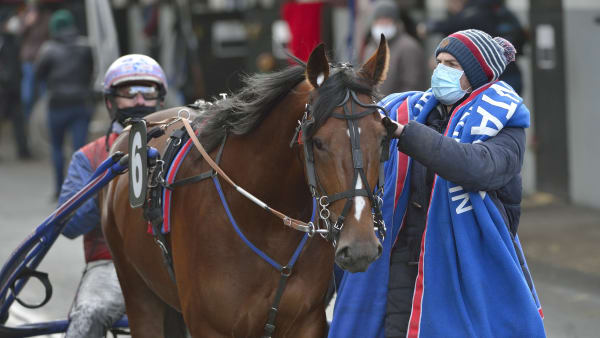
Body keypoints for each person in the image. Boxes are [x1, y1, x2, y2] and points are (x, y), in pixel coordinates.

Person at [329, 29, 545, 337]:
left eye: (452, 64)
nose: (440, 70)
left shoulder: (504, 124)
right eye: (439, 61)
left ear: (476, 74)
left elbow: (478, 166)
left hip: (464, 271)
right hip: (397, 266)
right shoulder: (408, 110)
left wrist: (407, 134)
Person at [58, 54, 168, 338]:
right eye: (129, 93)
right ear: (110, 102)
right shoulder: (89, 156)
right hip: (110, 264)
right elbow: (69, 226)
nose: (140, 101)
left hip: (172, 260)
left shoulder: (184, 150)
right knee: (90, 313)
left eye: (148, 91)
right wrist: (114, 183)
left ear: (161, 98)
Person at [35, 9, 94, 199]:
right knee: (80, 149)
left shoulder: (48, 49)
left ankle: (60, 189)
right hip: (80, 103)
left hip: (57, 104)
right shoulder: (85, 46)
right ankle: (82, 189)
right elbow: (90, 71)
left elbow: (39, 75)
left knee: (57, 148)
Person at [417, 0, 526, 94]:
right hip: (511, 74)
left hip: (498, 79)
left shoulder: (474, 13)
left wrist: (430, 27)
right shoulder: (500, 11)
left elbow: (454, 23)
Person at [362, 0, 426, 94]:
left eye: (386, 20)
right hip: (374, 107)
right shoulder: (370, 48)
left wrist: (392, 105)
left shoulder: (408, 47)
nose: (382, 24)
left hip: (397, 107)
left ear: (395, 22)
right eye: (378, 20)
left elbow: (412, 86)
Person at [0, 12, 32, 159]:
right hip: (3, 88)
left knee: (18, 120)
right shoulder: (5, 41)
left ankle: (23, 151)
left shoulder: (14, 40)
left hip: (14, 86)